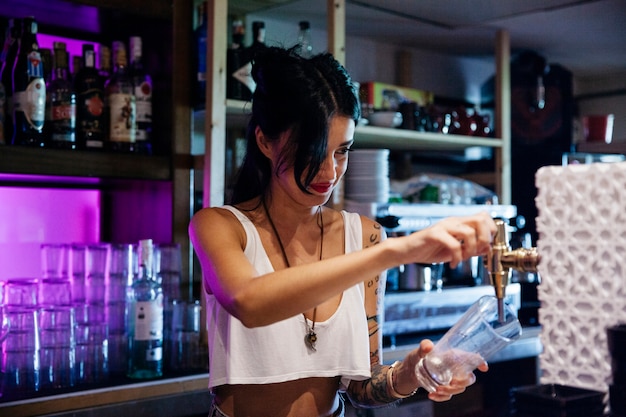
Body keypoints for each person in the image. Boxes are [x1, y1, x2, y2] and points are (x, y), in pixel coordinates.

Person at [189, 46, 497, 417]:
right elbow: (249, 302)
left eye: (342, 151)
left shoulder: (363, 236)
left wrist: (414, 372)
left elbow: (362, 387)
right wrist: (398, 251)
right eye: (314, 150)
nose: (330, 172)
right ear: (264, 141)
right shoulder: (219, 225)